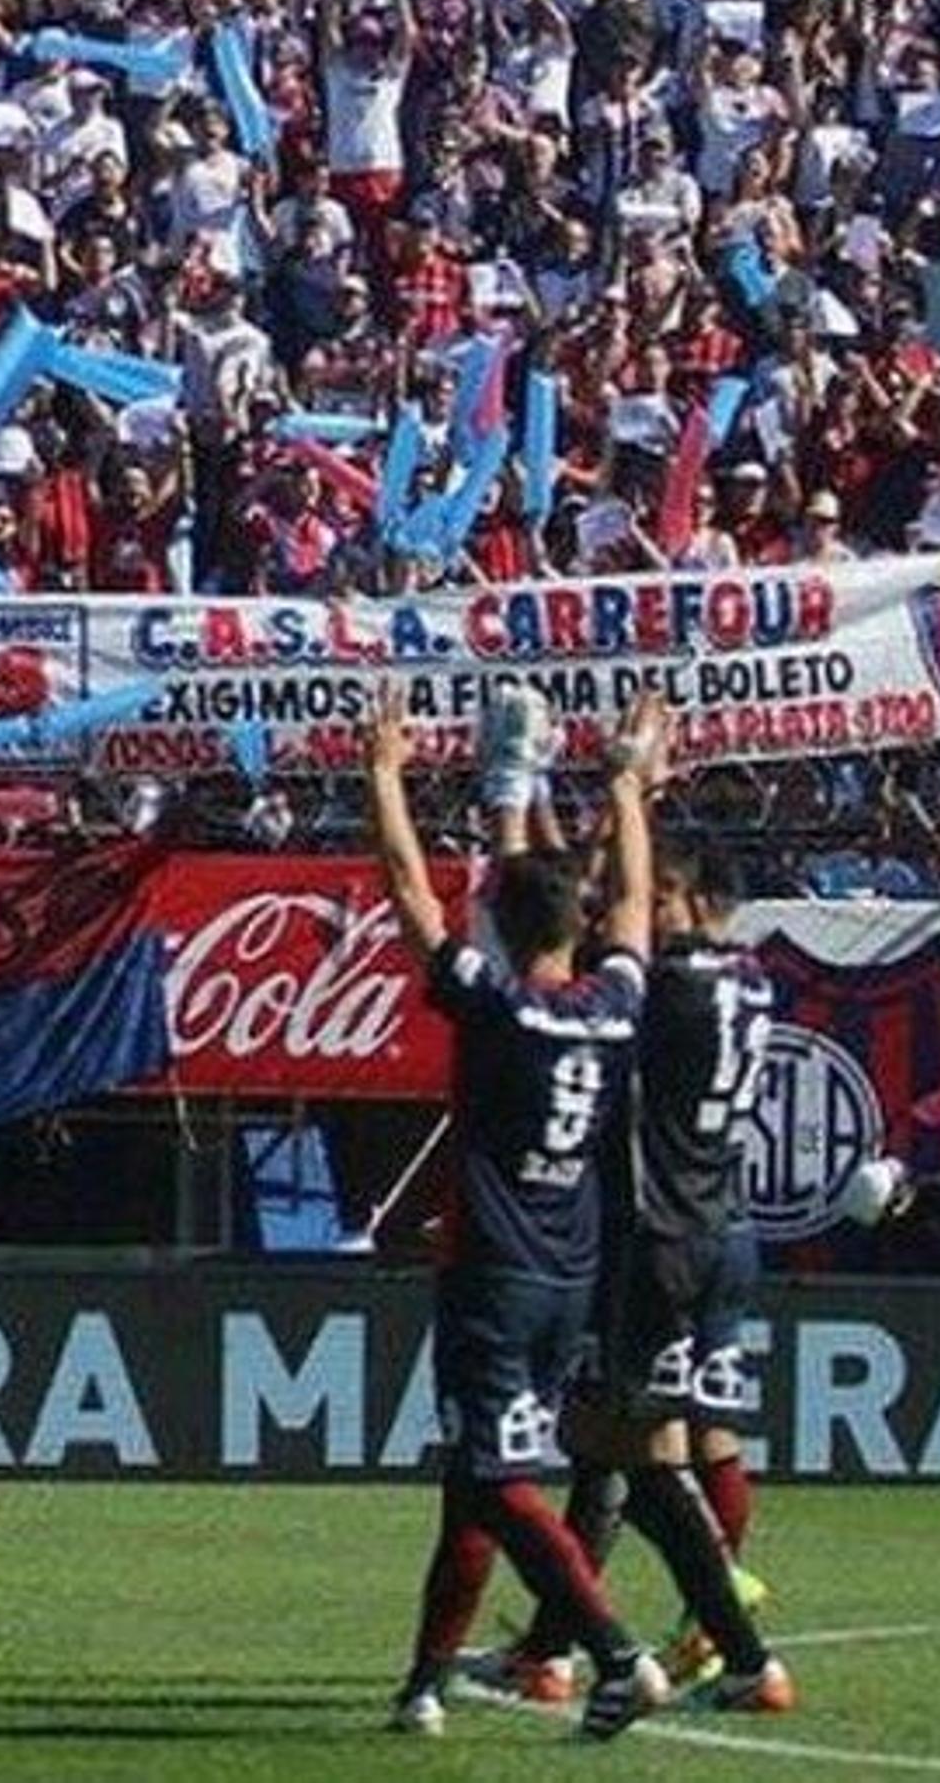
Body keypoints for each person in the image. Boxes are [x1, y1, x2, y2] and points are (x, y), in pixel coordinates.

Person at [370, 690, 675, 1742]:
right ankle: (423, 1679)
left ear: (497, 923)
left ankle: (618, 1653)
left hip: (495, 1278)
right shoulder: (613, 1002)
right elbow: (633, 904)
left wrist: (382, 773)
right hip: (568, 1277)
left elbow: (409, 887)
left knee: (497, 1481)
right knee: (473, 1480)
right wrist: (629, 786)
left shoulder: (497, 1010)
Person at [491, 840, 792, 1711]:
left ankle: (724, 1651)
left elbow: (587, 926)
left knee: (637, 1456)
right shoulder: (753, 982)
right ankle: (578, 1648)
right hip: (709, 1226)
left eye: (659, 897)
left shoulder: (675, 985)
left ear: (695, 903)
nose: (640, 910)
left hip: (652, 1238)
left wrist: (628, 792)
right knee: (622, 1448)